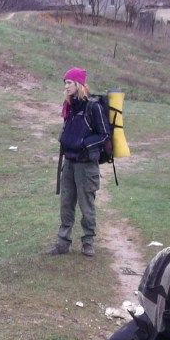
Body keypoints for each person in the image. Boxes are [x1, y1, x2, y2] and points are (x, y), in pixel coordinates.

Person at [49, 66, 109, 257]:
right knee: (66, 203)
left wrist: (83, 143)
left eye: (69, 83)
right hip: (69, 162)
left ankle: (88, 241)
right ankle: (63, 242)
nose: (66, 86)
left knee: (86, 205)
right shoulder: (70, 106)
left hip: (86, 165)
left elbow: (104, 135)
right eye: (65, 83)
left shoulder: (94, 107)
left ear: (79, 84)